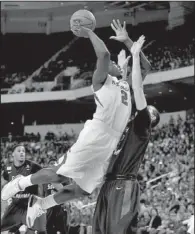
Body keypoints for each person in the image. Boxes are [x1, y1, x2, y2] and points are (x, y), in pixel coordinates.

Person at [2, 20, 150, 229]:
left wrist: (128, 41)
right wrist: (89, 31)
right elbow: (105, 55)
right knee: (58, 174)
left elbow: (145, 67)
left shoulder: (125, 85)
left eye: (118, 65)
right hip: (97, 134)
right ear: (105, 70)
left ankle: (41, 205)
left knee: (82, 189)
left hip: (110, 142)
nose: (115, 64)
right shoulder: (101, 81)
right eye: (112, 65)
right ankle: (18, 183)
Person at [92, 35, 160, 234]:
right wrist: (123, 67)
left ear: (151, 119)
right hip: (109, 183)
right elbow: (125, 93)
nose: (148, 110)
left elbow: (138, 87)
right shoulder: (125, 122)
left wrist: (135, 52)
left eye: (151, 111)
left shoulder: (142, 125)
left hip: (125, 182)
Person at [1, 144, 47, 234]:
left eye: (23, 151)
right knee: (7, 230)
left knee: (37, 231)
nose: (22, 153)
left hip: (30, 204)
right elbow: (3, 186)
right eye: (19, 151)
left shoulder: (32, 166)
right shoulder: (7, 169)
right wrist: (5, 203)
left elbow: (44, 178)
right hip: (15, 205)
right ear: (13, 154)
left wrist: (41, 197)